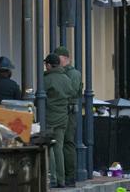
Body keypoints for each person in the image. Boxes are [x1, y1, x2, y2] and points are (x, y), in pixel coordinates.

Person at [44, 53, 75, 189]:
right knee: (59, 148)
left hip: (49, 117)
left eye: (46, 65)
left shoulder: (47, 79)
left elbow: (40, 96)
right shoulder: (66, 78)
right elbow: (72, 94)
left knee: (49, 146)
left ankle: (52, 179)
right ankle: (61, 180)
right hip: (63, 117)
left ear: (49, 65)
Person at [54, 46, 83, 187]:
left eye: (58, 57)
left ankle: (69, 175)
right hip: (62, 110)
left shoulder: (73, 73)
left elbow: (71, 92)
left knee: (67, 142)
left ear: (65, 58)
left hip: (69, 111)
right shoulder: (61, 73)